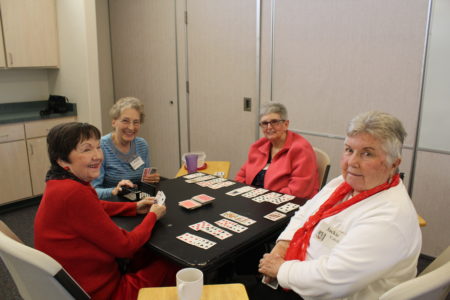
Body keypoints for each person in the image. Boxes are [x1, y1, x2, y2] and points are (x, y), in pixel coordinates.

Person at [257, 111, 422, 300]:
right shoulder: (343, 183)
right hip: (299, 273)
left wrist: (281, 269)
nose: (352, 162)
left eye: (367, 153)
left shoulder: (389, 217)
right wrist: (282, 247)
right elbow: (305, 214)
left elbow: (332, 280)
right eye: (349, 150)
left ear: (394, 163)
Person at [34, 122, 177, 300]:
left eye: (98, 147)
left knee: (145, 254)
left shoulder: (58, 184)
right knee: (174, 266)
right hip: (102, 292)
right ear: (63, 161)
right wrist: (152, 215)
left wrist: (134, 207)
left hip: (76, 282)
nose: (98, 156)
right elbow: (125, 246)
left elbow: (95, 207)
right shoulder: (73, 192)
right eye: (86, 149)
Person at [235, 102, 319, 199]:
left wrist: (263, 198)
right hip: (254, 200)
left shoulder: (301, 149)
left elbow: (298, 191)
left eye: (274, 122)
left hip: (287, 203)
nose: (269, 127)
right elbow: (241, 176)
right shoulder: (259, 146)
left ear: (286, 124)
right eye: (265, 123)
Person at [92, 97, 160, 199]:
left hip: (138, 203)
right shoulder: (100, 147)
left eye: (136, 122)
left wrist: (152, 179)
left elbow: (145, 181)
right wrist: (116, 190)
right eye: (125, 121)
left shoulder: (142, 145)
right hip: (113, 207)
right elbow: (93, 191)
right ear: (114, 122)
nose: (131, 127)